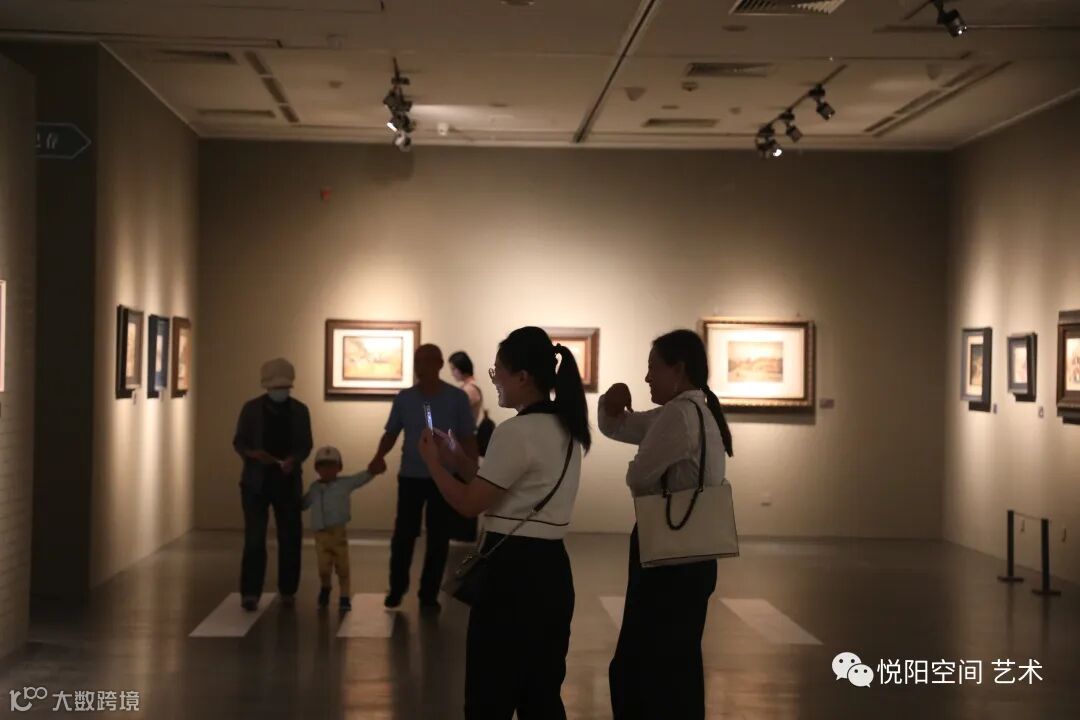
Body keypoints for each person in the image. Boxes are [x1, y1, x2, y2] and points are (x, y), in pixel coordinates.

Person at [417, 326, 591, 719]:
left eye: (498, 372)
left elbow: (468, 503)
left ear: (523, 377)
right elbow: (505, 484)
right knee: (541, 697)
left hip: (512, 573)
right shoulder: (567, 427)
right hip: (552, 569)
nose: (495, 380)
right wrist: (457, 459)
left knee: (489, 696)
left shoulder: (515, 431)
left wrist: (433, 464)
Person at [598, 329, 734, 720]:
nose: (647, 377)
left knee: (640, 664)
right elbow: (622, 426)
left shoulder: (678, 414)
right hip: (696, 552)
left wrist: (639, 465)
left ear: (678, 369)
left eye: (653, 368)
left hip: (667, 551)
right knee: (678, 662)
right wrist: (609, 402)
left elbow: (639, 478)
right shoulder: (697, 410)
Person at [368, 344, 479, 611]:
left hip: (444, 476)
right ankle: (397, 588)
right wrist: (379, 456)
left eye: (427, 361)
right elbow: (392, 432)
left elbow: (467, 436)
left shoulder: (456, 398)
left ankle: (428, 594)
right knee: (403, 535)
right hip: (411, 476)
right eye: (418, 361)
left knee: (439, 537)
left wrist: (473, 469)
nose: (421, 366)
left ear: (439, 364)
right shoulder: (405, 398)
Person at [232, 358, 313, 612]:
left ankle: (288, 589)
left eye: (284, 388)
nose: (281, 392)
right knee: (255, 538)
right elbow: (239, 441)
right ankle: (250, 592)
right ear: (266, 386)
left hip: (287, 482)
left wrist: (293, 459)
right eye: (276, 388)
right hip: (256, 483)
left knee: (290, 537)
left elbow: (306, 444)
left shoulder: (300, 411)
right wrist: (254, 455)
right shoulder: (251, 409)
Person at [302, 446, 381, 613]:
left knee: (343, 567)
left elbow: (359, 479)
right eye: (323, 465)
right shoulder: (314, 487)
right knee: (323, 568)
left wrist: (372, 471)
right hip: (320, 535)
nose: (327, 469)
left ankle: (344, 596)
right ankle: (325, 587)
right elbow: (305, 503)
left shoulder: (344, 484)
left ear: (339, 467)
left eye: (332, 465)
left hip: (338, 533)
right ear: (317, 468)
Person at [449, 351, 484, 424]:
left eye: (453, 369)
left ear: (461, 366)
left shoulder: (470, 389)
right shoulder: (467, 386)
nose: (452, 373)